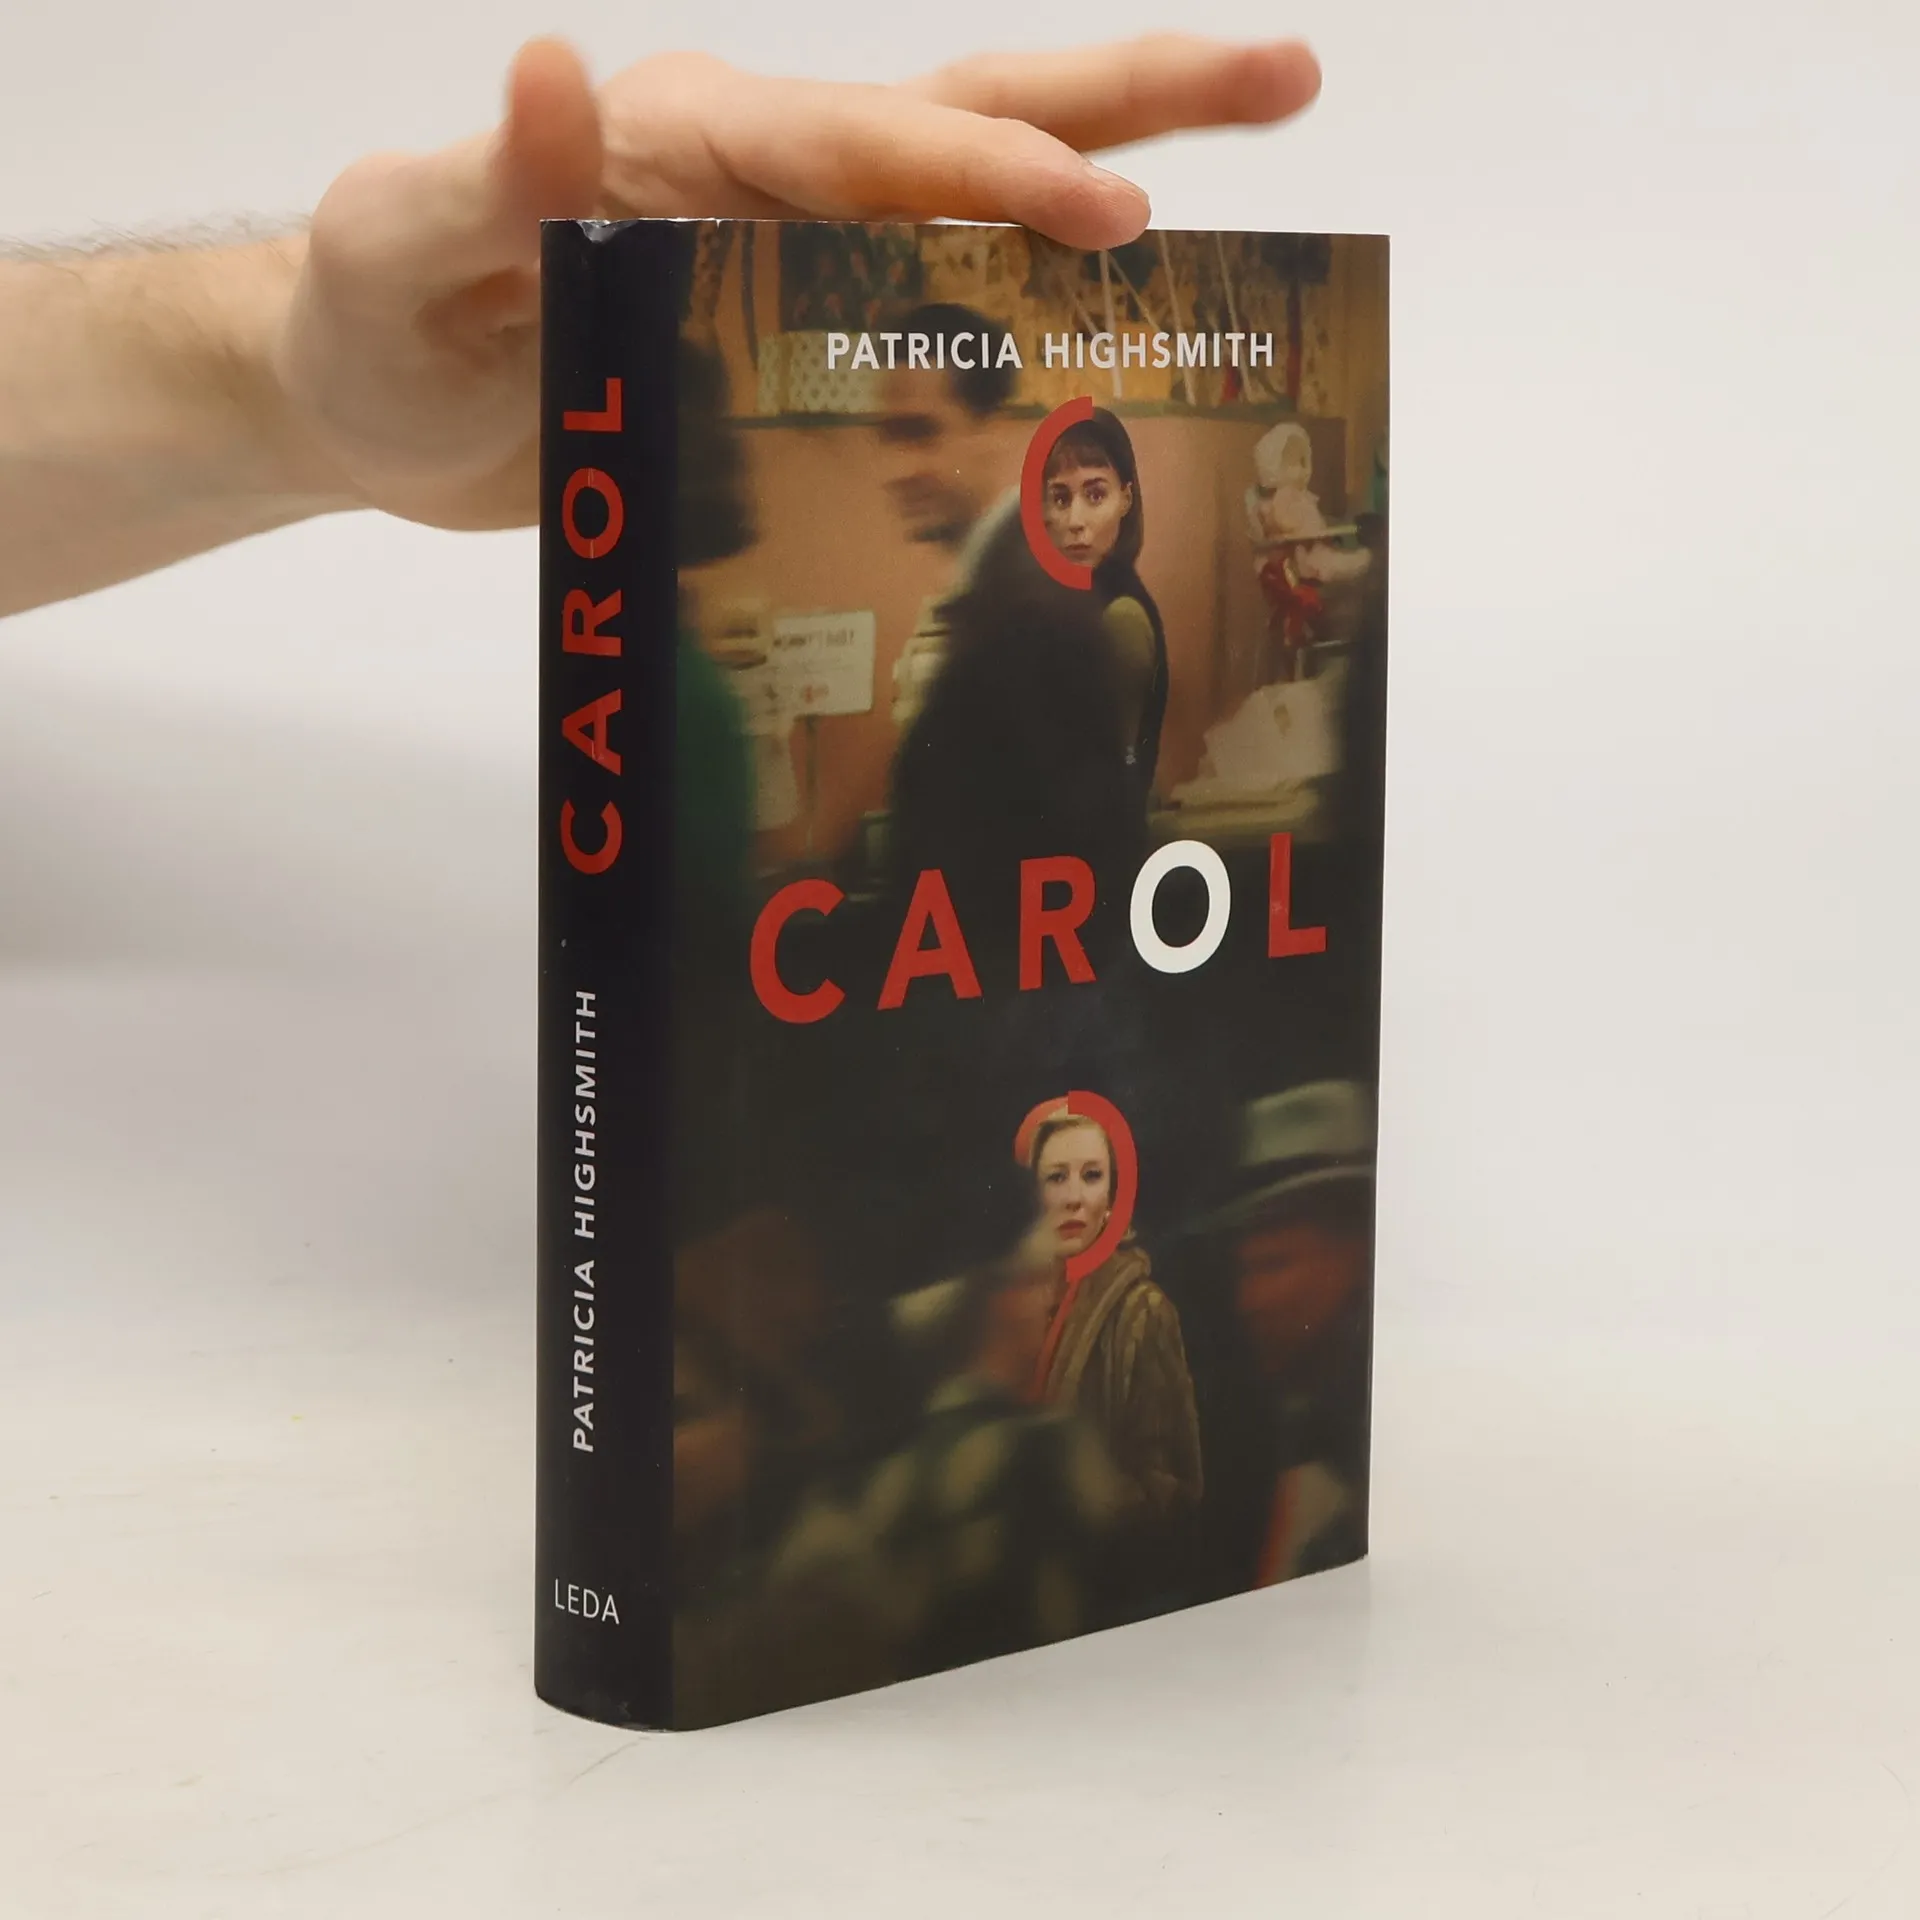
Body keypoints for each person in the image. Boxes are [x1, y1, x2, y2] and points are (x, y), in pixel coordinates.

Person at [0, 35, 1323, 622]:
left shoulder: (1060, 615)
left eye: (920, 429)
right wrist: (273, 387)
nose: (895, 463)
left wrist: (274, 385)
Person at [1019, 1102, 1203, 1532]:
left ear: (1112, 1197)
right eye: (1056, 1178)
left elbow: (1172, 1488)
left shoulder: (1141, 1312)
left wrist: (1072, 1501)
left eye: (1092, 1176)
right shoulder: (1016, 1312)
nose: (1074, 1198)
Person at [1038, 406, 1170, 799]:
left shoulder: (1121, 616)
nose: (1075, 521)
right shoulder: (1067, 608)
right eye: (1060, 498)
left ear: (1125, 499)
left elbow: (1104, 780)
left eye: (1095, 495)